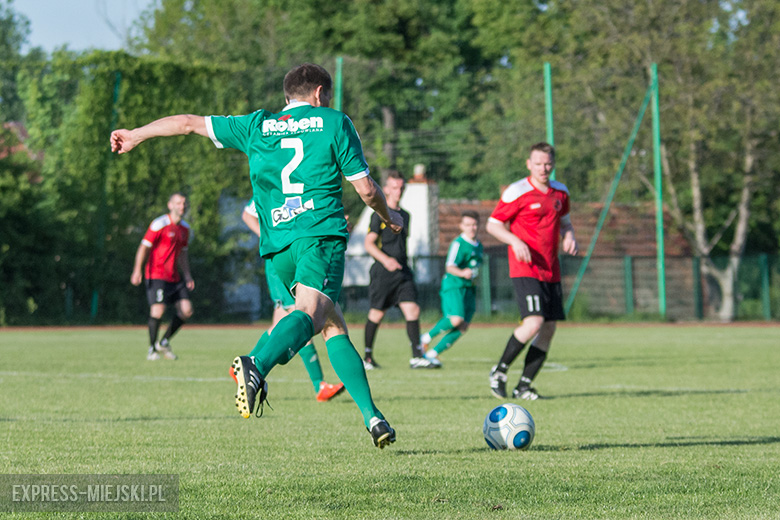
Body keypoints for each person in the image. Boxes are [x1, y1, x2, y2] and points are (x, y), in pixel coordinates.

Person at [111, 63, 402, 448]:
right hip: (318, 236)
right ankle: (256, 364)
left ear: (287, 97)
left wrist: (136, 134)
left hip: (276, 247)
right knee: (311, 314)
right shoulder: (334, 121)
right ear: (318, 93)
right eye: (326, 96)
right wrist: (389, 215)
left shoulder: (257, 124)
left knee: (331, 322)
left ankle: (373, 418)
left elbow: (186, 122)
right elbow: (365, 189)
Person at [486, 142, 578, 400]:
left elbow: (566, 222)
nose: (543, 168)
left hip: (552, 269)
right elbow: (493, 225)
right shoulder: (517, 191)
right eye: (538, 163)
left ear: (553, 163)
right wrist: (515, 241)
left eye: (548, 163)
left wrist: (569, 236)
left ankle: (524, 385)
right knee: (534, 322)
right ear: (529, 164)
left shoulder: (560, 192)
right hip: (525, 268)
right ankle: (500, 371)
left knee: (549, 328)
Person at [239, 201, 344, 402]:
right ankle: (319, 385)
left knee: (285, 322)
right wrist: (272, 239)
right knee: (302, 318)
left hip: (301, 255)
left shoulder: (302, 181)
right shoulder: (273, 179)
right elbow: (247, 215)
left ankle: (246, 365)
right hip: (282, 260)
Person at [362, 170, 436, 370]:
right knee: (377, 314)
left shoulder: (405, 216)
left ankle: (417, 356)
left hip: (403, 271)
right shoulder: (377, 215)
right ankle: (367, 357)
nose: (398, 191)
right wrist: (386, 260)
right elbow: (369, 244)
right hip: (383, 272)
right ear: (385, 189)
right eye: (394, 187)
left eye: (402, 188)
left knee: (413, 309)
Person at [130, 192, 195, 361]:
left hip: (174, 277)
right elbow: (143, 247)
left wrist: (187, 275)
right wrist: (137, 270)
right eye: (178, 203)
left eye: (184, 203)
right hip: (157, 274)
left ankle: (164, 342)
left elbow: (182, 254)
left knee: (186, 310)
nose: (182, 206)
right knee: (158, 310)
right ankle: (152, 349)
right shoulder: (159, 224)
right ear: (170, 205)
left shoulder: (185, 229)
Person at [420, 210, 483, 367]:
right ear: (461, 226)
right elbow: (449, 267)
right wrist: (463, 273)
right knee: (456, 319)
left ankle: (432, 354)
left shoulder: (479, 245)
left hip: (469, 288)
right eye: (468, 224)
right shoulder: (458, 243)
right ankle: (425, 339)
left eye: (474, 224)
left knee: (463, 326)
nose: (471, 228)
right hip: (454, 286)